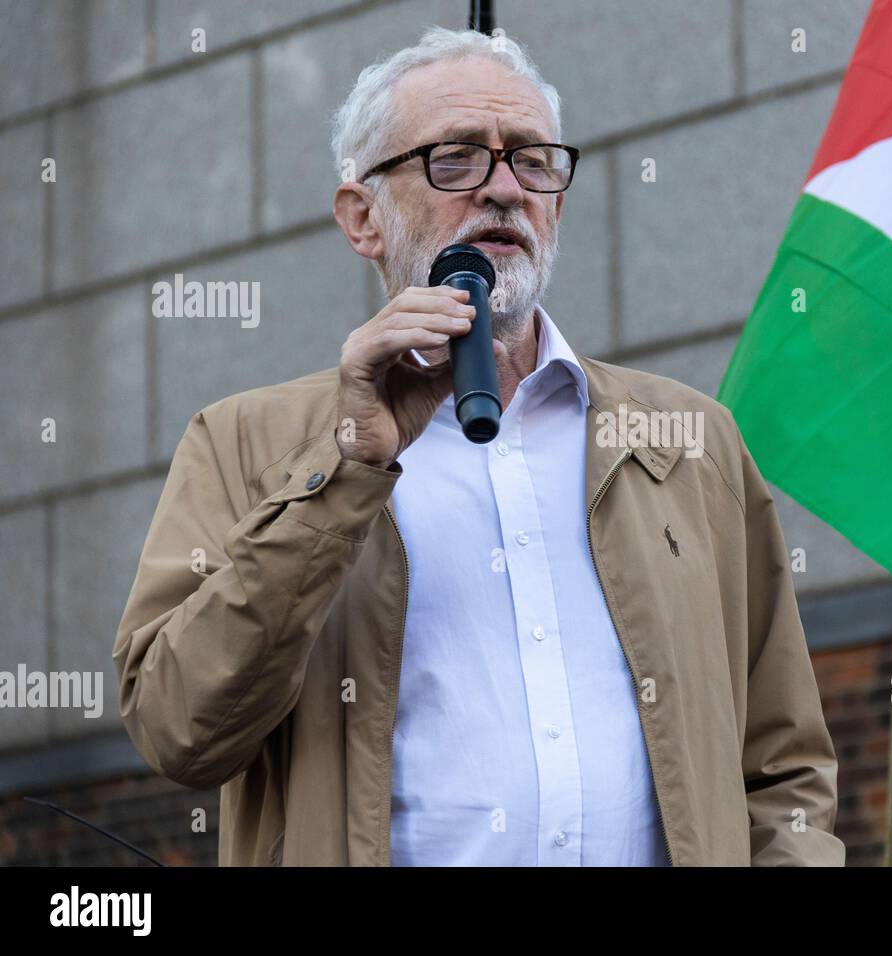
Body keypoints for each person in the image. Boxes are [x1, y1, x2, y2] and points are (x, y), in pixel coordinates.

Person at [113, 24, 844, 867]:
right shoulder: (246, 443)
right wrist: (346, 472)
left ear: (557, 203)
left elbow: (785, 762)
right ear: (362, 217)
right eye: (455, 159)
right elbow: (179, 729)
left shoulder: (687, 441)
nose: (503, 189)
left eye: (531, 160)